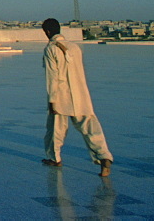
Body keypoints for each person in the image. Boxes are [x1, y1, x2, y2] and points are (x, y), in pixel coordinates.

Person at [41, 18, 113, 177]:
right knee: (90, 128)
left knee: (55, 130)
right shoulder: (74, 47)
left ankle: (55, 158)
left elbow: (52, 77)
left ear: (47, 32)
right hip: (81, 95)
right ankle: (104, 157)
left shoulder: (51, 49)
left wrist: (52, 100)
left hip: (61, 96)